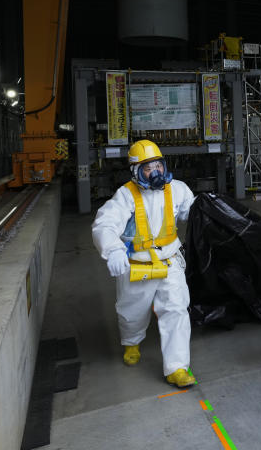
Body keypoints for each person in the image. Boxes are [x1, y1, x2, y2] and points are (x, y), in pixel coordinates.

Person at [91, 139, 197, 387]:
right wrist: (113, 249)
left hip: (170, 260)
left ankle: (177, 367)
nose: (156, 172)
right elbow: (105, 224)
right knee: (132, 313)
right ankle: (131, 342)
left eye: (158, 165)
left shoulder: (178, 189)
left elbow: (193, 212)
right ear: (136, 171)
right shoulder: (125, 196)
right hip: (137, 265)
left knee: (177, 310)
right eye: (148, 168)